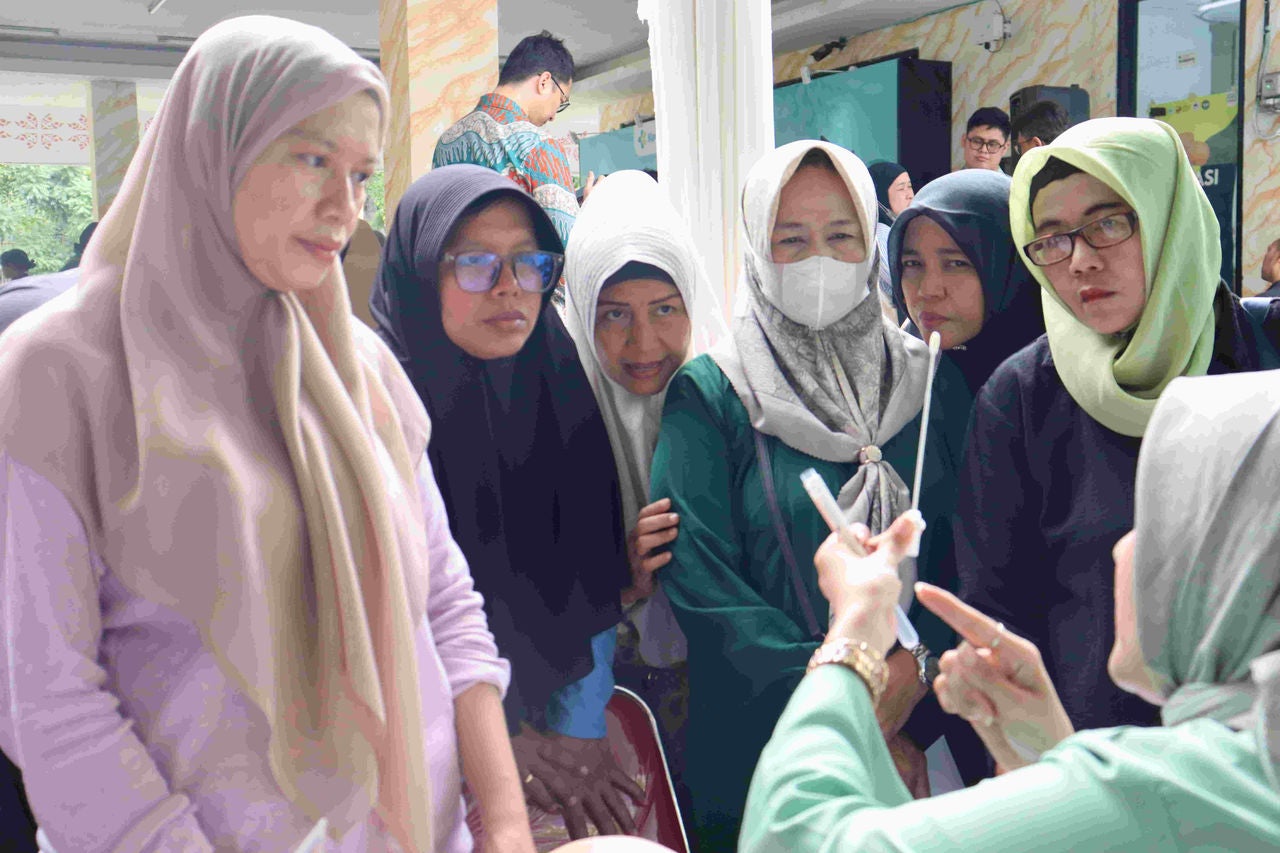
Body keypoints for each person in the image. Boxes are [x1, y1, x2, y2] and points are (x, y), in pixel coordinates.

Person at [0, 17, 533, 853]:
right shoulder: (60, 374)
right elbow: (51, 701)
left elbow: (446, 604)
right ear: (216, 148)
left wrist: (503, 825)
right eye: (313, 159)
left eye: (362, 174)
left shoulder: (356, 367)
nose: (345, 208)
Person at [740, 370, 1280, 851]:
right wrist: (1055, 760)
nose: (1121, 547)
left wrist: (856, 628)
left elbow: (792, 838)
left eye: (1156, 518)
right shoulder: (1245, 770)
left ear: (1241, 563)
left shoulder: (1165, 791)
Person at [650, 140, 972, 851]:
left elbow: (972, 554)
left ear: (871, 245)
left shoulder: (930, 379)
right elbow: (707, 589)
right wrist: (851, 697)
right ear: (757, 251)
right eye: (791, 239)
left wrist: (913, 683)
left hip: (932, 730)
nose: (819, 259)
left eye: (842, 236)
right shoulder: (714, 394)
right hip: (768, 750)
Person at [954, 117, 1280, 740]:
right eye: (1051, 240)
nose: (1079, 261)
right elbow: (997, 607)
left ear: (1168, 217)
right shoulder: (1022, 399)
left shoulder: (1266, 353)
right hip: (1099, 765)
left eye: (1107, 224)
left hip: (1259, 763)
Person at [369, 165, 645, 848]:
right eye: (475, 263)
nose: (509, 287)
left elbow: (592, 572)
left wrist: (578, 727)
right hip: (415, 751)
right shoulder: (375, 418)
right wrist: (497, 745)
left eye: (529, 263)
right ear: (421, 273)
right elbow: (384, 623)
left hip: (564, 720)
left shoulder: (556, 375)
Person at [563, 169, 728, 820]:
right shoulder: (550, 426)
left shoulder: (735, 406)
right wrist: (618, 581)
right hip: (601, 718)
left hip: (729, 700)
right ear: (582, 310)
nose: (644, 343)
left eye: (665, 308)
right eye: (614, 314)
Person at [887, 169, 1044, 401]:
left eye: (957, 263)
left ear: (1010, 264)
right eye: (912, 263)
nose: (927, 291)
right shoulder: (902, 369)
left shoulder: (1063, 390)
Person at [433, 30, 580, 251]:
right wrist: (588, 212)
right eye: (560, 101)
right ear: (544, 82)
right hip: (516, 273)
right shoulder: (538, 145)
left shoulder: (446, 142)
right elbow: (567, 247)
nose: (553, 116)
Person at [867, 160, 913, 323]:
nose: (910, 194)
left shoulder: (899, 229)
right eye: (901, 188)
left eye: (910, 186)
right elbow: (901, 284)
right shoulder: (881, 233)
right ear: (880, 194)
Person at [960, 106, 1010, 172]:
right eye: (977, 142)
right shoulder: (947, 179)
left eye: (992, 144)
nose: (983, 150)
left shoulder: (1015, 179)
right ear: (963, 141)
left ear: (1005, 148)